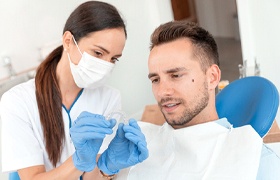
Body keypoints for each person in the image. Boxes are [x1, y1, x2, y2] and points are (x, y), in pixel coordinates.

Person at [0, 1, 148, 180]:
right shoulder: (17, 102)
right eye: (98, 53)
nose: (105, 65)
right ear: (68, 41)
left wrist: (108, 168)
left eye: (114, 59)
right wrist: (78, 161)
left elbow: (91, 178)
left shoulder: (109, 97)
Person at [115, 20, 280, 179]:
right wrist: (105, 170)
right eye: (155, 80)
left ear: (212, 77)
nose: (162, 92)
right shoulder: (138, 149)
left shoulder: (255, 162)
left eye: (176, 75)